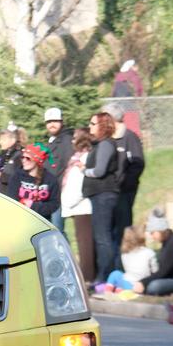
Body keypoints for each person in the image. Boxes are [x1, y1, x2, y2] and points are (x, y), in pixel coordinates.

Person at [104, 103, 145, 268]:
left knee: (122, 230)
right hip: (108, 193)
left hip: (124, 192)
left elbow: (138, 165)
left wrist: (123, 183)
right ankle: (111, 267)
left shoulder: (130, 138)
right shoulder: (108, 139)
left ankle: (123, 266)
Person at [81, 112, 120, 283]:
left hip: (104, 195)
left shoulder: (105, 144)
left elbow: (99, 171)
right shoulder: (100, 144)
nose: (89, 126)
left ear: (102, 126)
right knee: (103, 237)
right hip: (99, 195)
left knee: (103, 238)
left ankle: (105, 277)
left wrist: (84, 170)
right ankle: (106, 275)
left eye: (92, 123)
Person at [131, 210, 173, 296]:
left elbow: (163, 272)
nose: (152, 236)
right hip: (171, 280)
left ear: (161, 230)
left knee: (154, 286)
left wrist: (143, 283)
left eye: (153, 233)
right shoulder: (168, 242)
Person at [60, 128, 95, 283]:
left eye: (75, 138)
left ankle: (87, 277)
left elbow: (82, 184)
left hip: (82, 206)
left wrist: (69, 201)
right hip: (75, 207)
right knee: (81, 241)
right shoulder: (77, 157)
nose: (72, 141)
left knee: (85, 243)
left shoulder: (86, 157)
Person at [5, 143, 60, 219]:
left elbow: (54, 204)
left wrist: (33, 206)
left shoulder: (50, 179)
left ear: (37, 160)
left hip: (42, 221)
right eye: (22, 157)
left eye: (27, 158)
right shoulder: (17, 176)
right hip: (20, 218)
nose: (24, 160)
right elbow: (11, 199)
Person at [42, 107, 74, 232]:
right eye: (49, 122)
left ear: (61, 121)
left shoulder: (66, 140)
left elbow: (68, 167)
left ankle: (65, 252)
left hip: (59, 192)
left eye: (55, 121)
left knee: (57, 231)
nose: (52, 124)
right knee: (51, 230)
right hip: (49, 192)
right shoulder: (52, 141)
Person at [98, 226, 157, 292]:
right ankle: (121, 289)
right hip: (142, 284)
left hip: (127, 282)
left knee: (115, 273)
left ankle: (109, 290)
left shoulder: (124, 253)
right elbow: (155, 271)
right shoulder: (149, 252)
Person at [0, 126, 22, 194]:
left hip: (10, 195)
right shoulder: (2, 155)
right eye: (0, 139)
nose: (0, 142)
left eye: (3, 140)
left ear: (13, 140)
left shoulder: (20, 156)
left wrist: (0, 176)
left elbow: (20, 178)